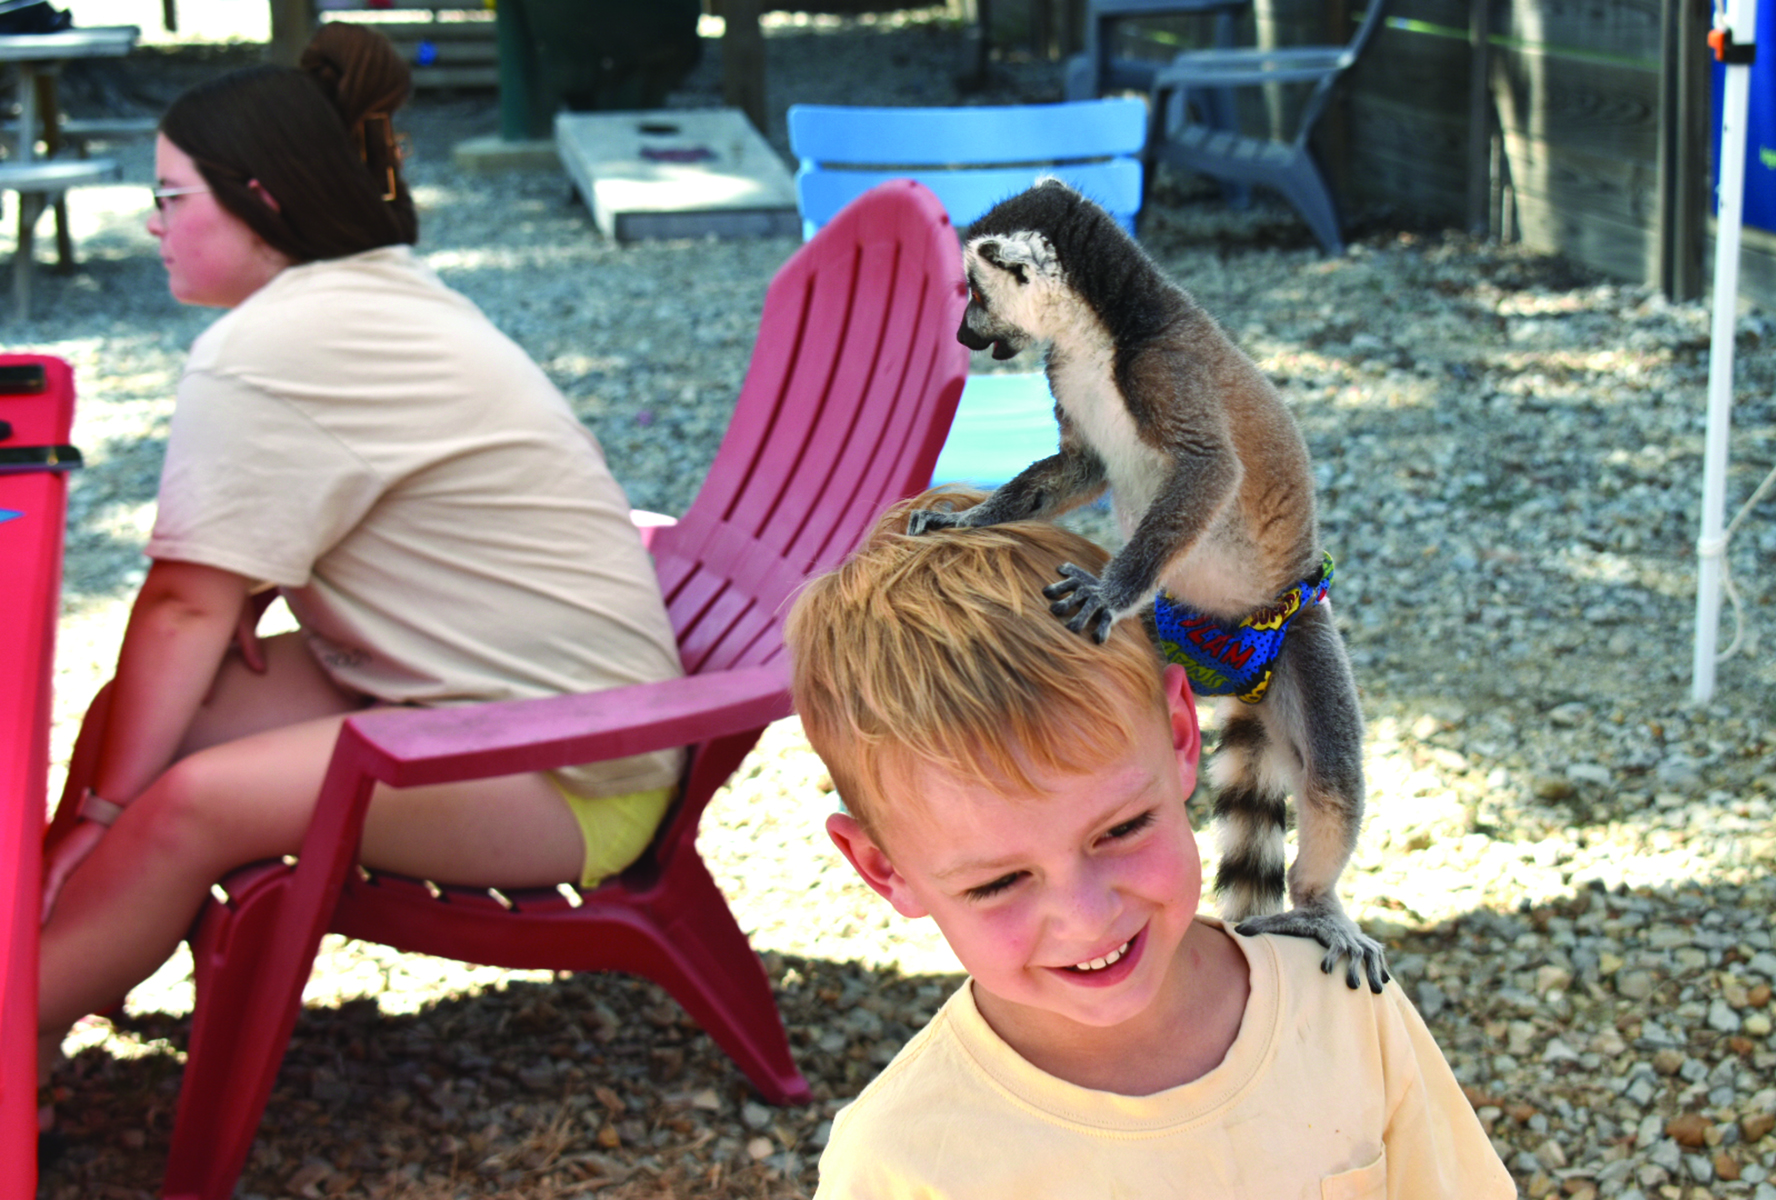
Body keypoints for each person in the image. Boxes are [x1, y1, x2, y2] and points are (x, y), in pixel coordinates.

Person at [38, 24, 684, 1065]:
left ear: (263, 199)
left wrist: (101, 815)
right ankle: (60, 976)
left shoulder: (265, 346)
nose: (149, 222)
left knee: (183, 801)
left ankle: (20, 1030)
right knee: (146, 716)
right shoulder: (373, 290)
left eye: (170, 196)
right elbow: (260, 555)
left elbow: (182, 606)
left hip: (564, 779)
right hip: (515, 707)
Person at [784, 486, 1516, 1199]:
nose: (1087, 916)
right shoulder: (905, 1161)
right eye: (998, 882)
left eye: (1121, 829)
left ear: (1178, 736)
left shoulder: (1342, 1006)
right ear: (884, 871)